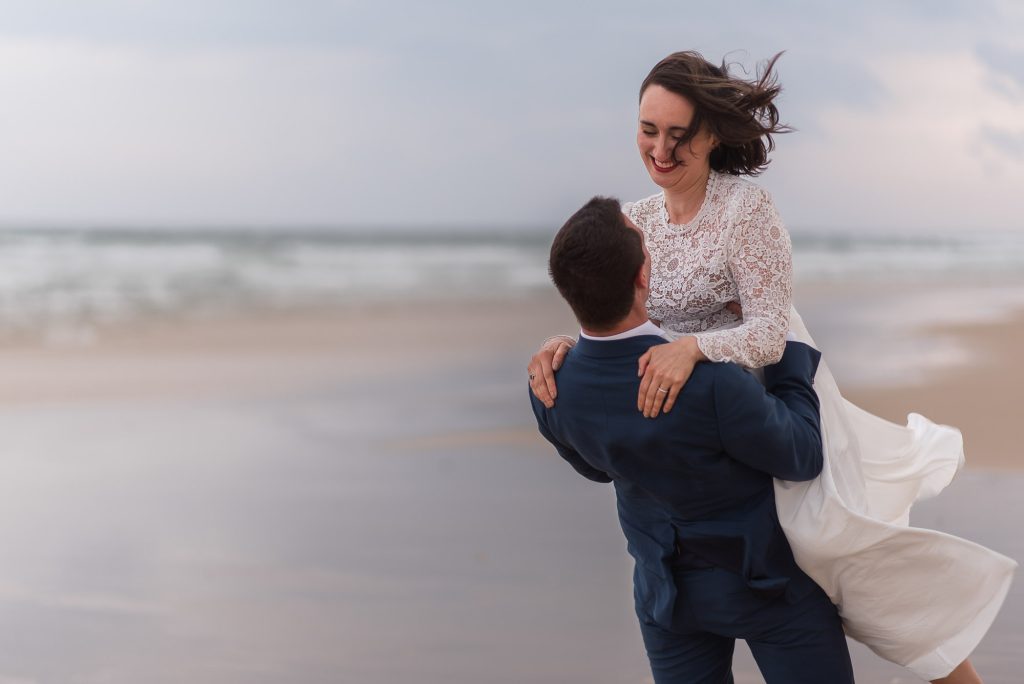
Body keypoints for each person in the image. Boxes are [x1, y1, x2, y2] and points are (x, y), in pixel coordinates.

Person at [528, 52, 1016, 683]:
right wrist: (566, 343)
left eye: (679, 135)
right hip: (690, 437)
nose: (661, 151)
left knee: (864, 581)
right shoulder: (637, 220)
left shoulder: (745, 210)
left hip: (765, 411)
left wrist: (696, 350)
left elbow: (769, 331)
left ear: (710, 136)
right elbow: (618, 312)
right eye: (649, 130)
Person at [529, 196, 854, 684]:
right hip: (765, 586)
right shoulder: (712, 385)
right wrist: (787, 352)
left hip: (664, 597)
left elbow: (598, 467)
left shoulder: (549, 387)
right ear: (643, 276)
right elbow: (803, 455)